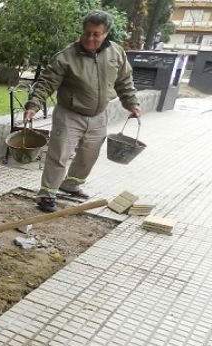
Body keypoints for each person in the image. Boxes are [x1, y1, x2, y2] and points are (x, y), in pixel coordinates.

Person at [23, 10, 140, 213]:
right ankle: (47, 195)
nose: (90, 38)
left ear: (106, 34)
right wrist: (33, 105)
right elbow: (46, 83)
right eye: (87, 33)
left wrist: (132, 103)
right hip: (70, 114)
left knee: (89, 156)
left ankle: (71, 185)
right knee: (59, 155)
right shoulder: (66, 57)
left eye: (96, 34)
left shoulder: (116, 53)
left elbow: (124, 81)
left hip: (99, 115)